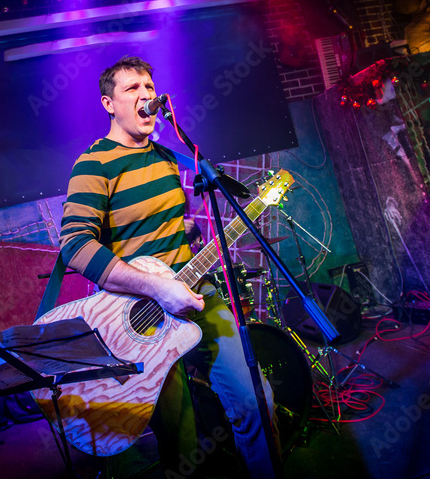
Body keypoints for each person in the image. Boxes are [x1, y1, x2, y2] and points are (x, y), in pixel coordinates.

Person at [57, 56, 278, 477]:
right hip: (140, 314)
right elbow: (76, 246)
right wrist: (157, 288)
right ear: (109, 104)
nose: (146, 95)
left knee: (256, 402)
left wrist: (187, 229)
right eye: (132, 89)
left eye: (149, 87)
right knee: (181, 437)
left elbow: (170, 223)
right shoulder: (93, 164)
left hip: (196, 292)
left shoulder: (168, 156)